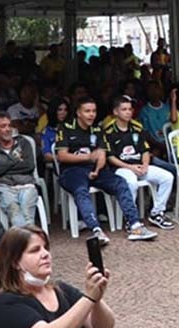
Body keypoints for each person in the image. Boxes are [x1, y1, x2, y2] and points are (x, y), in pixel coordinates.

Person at [0, 225, 115, 328]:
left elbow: (103, 327)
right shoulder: (3, 304)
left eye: (45, 248)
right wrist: (89, 298)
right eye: (35, 250)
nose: (45, 254)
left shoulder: (61, 290)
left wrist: (97, 299)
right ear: (15, 262)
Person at [57, 97, 157, 245]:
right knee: (81, 190)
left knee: (121, 184)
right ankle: (96, 229)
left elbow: (102, 155)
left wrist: (97, 170)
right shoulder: (65, 128)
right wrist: (89, 157)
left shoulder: (98, 129)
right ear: (78, 113)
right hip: (72, 171)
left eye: (94, 111)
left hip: (96, 169)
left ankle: (135, 225)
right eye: (87, 111)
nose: (91, 114)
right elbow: (62, 156)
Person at [104, 97, 175, 230]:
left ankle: (157, 213)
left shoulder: (137, 127)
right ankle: (130, 218)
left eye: (130, 109)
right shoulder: (109, 131)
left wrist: (145, 165)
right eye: (124, 109)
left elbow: (145, 151)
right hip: (121, 168)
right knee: (131, 181)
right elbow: (110, 157)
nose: (128, 112)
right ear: (115, 112)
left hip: (140, 166)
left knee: (167, 177)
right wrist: (130, 167)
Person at [0, 112, 38, 227]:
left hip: (27, 185)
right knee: (15, 215)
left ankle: (24, 241)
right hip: (5, 188)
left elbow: (29, 166)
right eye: (3, 126)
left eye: (9, 125)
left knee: (27, 214)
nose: (8, 129)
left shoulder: (23, 143)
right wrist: (17, 160)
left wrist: (5, 165)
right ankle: (27, 241)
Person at [41, 98, 69, 163]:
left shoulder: (72, 128)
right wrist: (65, 158)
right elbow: (46, 155)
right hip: (58, 165)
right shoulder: (47, 131)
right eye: (60, 110)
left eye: (65, 110)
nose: (63, 113)